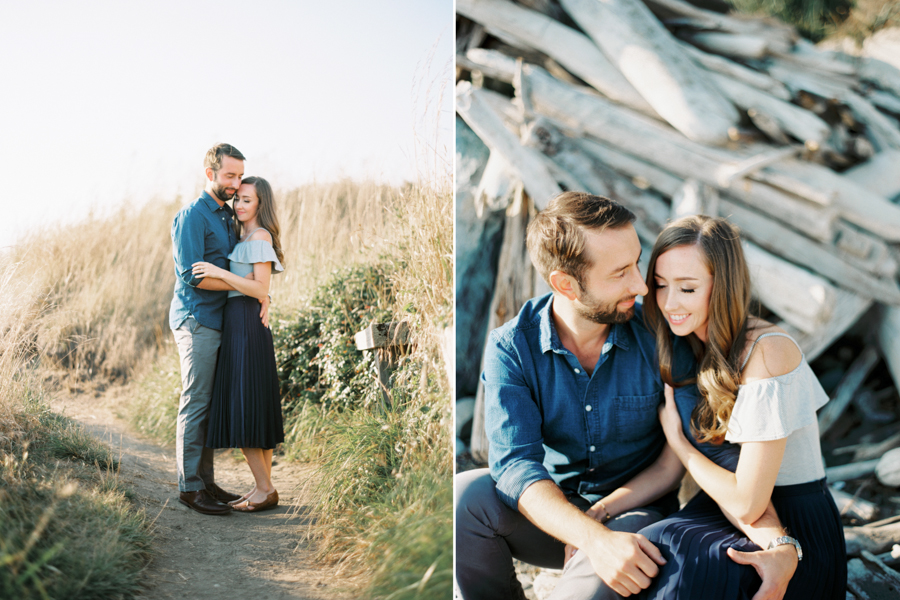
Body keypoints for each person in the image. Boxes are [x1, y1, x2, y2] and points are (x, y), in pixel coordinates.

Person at [454, 192, 796, 600]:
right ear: (567, 284)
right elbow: (515, 469)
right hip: (556, 517)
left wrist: (780, 544)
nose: (641, 284)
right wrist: (590, 536)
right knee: (465, 498)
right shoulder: (512, 348)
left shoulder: (660, 335)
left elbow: (706, 452)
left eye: (637, 262)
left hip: (636, 515)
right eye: (620, 273)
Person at [635, 215, 846, 599]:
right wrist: (595, 515)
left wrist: (680, 442)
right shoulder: (691, 347)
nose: (669, 303)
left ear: (723, 286)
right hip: (722, 509)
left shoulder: (767, 352)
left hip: (793, 525)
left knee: (675, 560)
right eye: (661, 286)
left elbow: (749, 504)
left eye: (687, 288)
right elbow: (667, 471)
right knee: (648, 546)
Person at [169, 143, 269, 516]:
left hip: (223, 320)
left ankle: (206, 482)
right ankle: (189, 487)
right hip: (197, 319)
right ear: (209, 173)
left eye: (239, 176)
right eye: (229, 175)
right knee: (196, 401)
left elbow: (244, 267)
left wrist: (262, 296)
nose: (235, 183)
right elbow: (191, 276)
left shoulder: (230, 216)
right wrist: (245, 289)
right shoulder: (193, 216)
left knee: (208, 404)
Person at [193, 176, 285, 513]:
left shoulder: (259, 237)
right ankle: (264, 487)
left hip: (246, 324)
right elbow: (257, 287)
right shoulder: (242, 236)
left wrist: (225, 275)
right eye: (238, 199)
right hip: (240, 321)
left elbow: (259, 288)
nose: (240, 205)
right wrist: (246, 283)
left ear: (261, 204)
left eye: (248, 200)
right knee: (253, 405)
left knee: (246, 406)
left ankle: (264, 489)